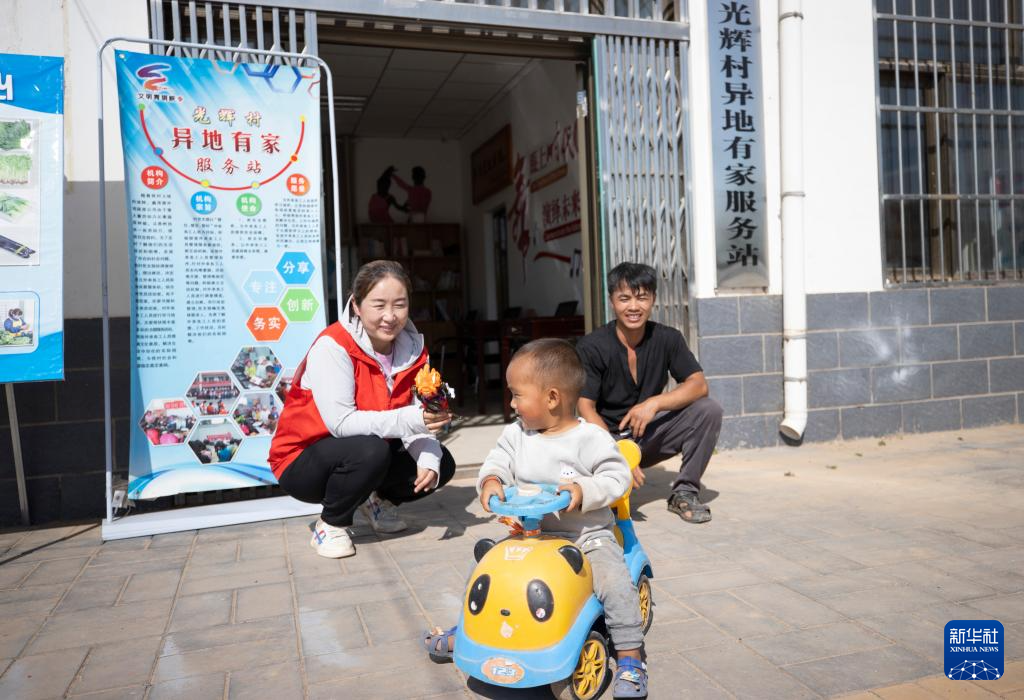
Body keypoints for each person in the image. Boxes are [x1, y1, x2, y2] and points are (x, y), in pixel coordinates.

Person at [424, 339, 648, 698]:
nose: (511, 404)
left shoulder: (590, 438)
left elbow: (616, 477)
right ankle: (469, 630)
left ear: (552, 398)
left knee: (614, 583)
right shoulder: (516, 435)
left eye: (517, 395)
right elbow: (497, 462)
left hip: (585, 537)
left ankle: (630, 657)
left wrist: (582, 490)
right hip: (530, 534)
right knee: (488, 570)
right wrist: (492, 480)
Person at [269, 260, 456, 558]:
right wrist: (414, 419)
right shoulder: (333, 346)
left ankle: (377, 504)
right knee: (371, 450)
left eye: (400, 305)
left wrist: (428, 457)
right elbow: (342, 423)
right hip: (303, 459)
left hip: (366, 450)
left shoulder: (413, 350)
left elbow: (414, 418)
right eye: (378, 305)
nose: (390, 316)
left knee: (441, 463)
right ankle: (330, 524)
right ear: (356, 305)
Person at [576, 262, 723, 525]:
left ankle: (685, 492)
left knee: (708, 410)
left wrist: (654, 403)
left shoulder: (668, 338)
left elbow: (699, 384)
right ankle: (609, 485)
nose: (634, 307)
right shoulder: (592, 346)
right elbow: (585, 407)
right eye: (625, 298)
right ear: (612, 301)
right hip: (604, 441)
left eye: (642, 297)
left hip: (646, 438)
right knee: (604, 509)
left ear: (653, 298)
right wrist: (617, 454)